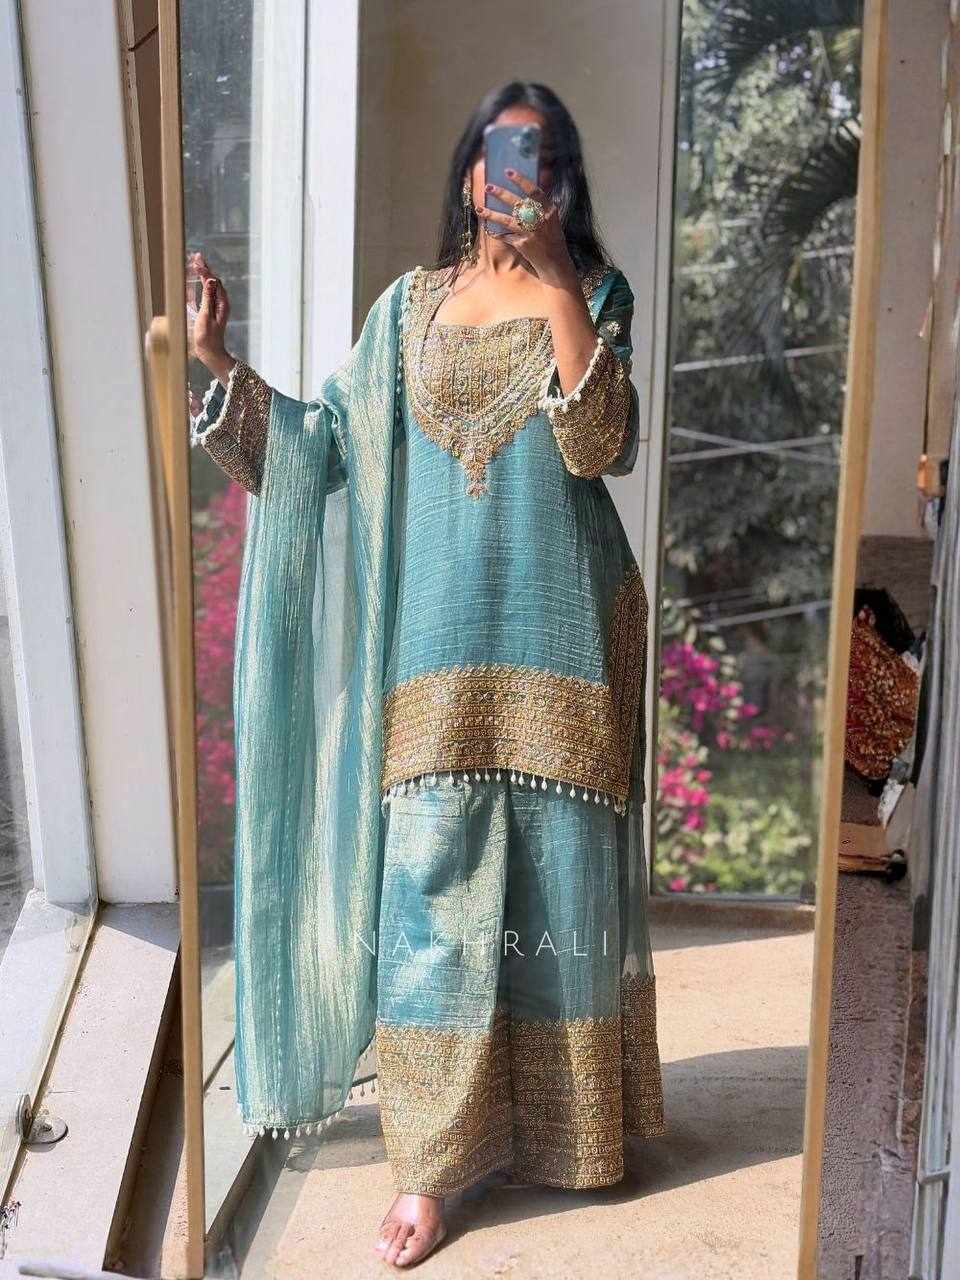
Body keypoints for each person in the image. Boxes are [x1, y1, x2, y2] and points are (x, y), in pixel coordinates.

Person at [189, 80, 665, 1270]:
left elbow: (602, 442)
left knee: (555, 907)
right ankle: (432, 1165)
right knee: (428, 917)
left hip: (564, 642)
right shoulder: (405, 311)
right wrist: (220, 362)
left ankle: (570, 1133)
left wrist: (558, 280)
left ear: (561, 182)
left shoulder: (595, 295)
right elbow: (322, 454)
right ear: (468, 172)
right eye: (503, 152)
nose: (519, 174)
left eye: (542, 157)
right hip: (432, 660)